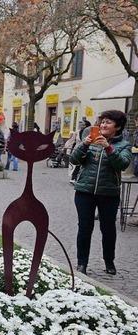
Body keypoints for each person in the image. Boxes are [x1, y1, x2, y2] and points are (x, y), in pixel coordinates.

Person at [70, 110, 132, 276]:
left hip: (109, 193)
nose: (103, 125)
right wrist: (84, 145)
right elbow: (73, 160)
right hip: (85, 191)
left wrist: (108, 147)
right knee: (84, 228)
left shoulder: (124, 145)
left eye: (108, 122)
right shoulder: (89, 140)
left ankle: (109, 261)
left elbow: (123, 164)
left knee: (108, 229)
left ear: (117, 127)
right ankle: (82, 263)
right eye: (102, 122)